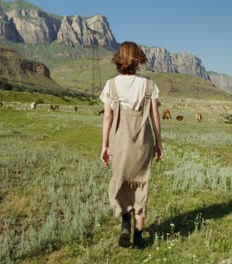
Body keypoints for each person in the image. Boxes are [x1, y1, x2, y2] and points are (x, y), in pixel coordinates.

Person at [100, 41, 164, 249]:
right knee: (140, 185)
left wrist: (105, 146)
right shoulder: (149, 85)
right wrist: (159, 143)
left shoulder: (111, 85)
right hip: (143, 144)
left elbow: (108, 118)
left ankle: (125, 223)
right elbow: (155, 115)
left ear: (119, 59)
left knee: (122, 181)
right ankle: (138, 239)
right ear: (138, 59)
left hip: (119, 143)